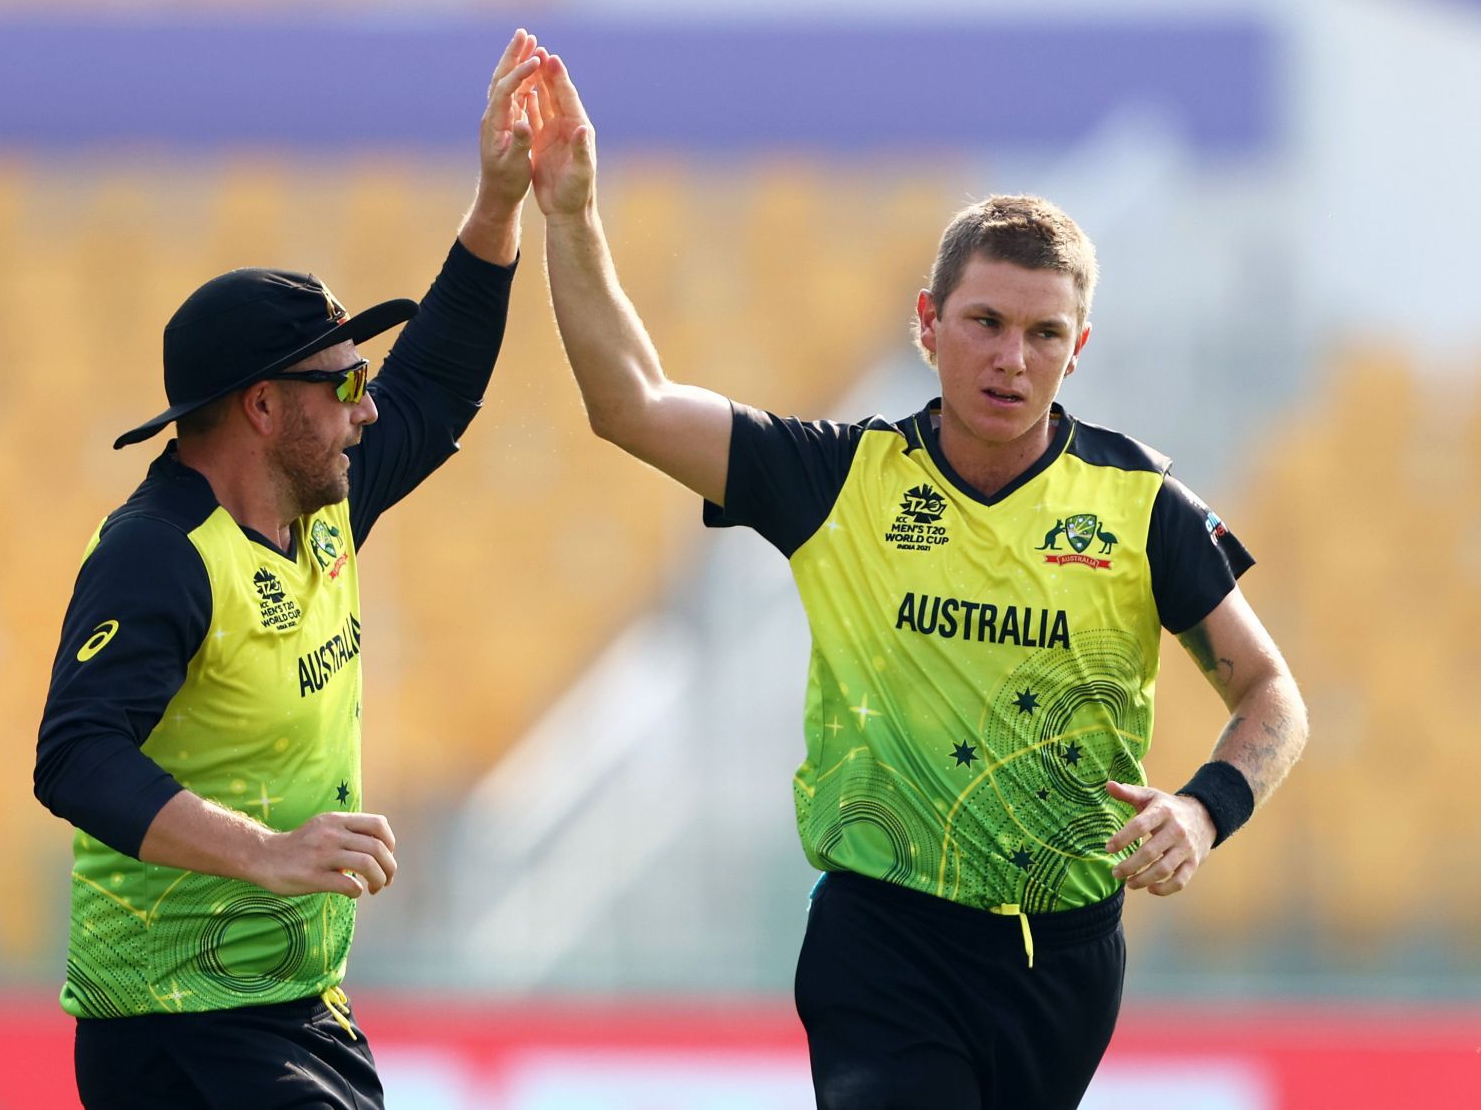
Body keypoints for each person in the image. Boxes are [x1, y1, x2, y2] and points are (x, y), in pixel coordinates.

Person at [525, 54, 1309, 1110]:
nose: (1011, 359)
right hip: (881, 936)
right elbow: (630, 401)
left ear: (1077, 351)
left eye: (1042, 334)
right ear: (927, 323)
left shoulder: (1139, 507)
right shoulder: (838, 478)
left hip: (1063, 957)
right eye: (984, 322)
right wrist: (572, 212)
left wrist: (1204, 812)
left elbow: (1272, 695)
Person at [31, 31, 544, 1110]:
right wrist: (266, 852)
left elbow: (438, 386)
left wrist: (499, 202)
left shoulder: (322, 506)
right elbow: (76, 758)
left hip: (292, 1002)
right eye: (343, 381)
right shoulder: (158, 554)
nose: (366, 407)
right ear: (264, 406)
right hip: (176, 1019)